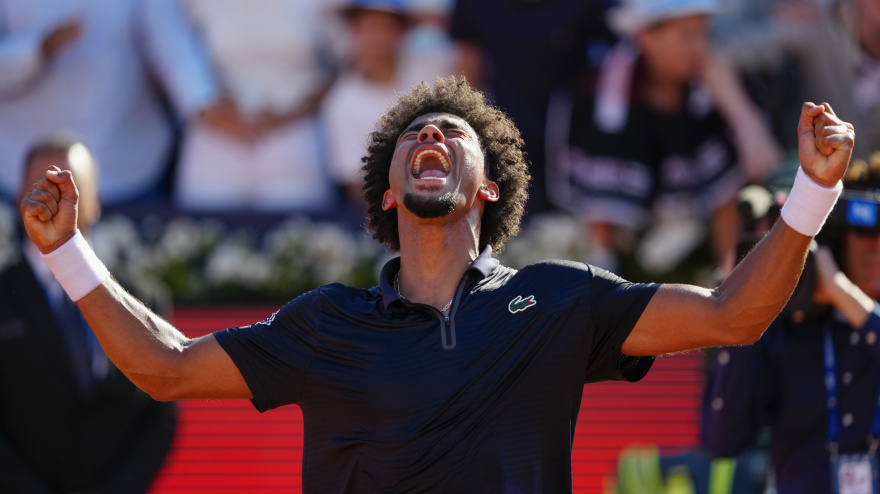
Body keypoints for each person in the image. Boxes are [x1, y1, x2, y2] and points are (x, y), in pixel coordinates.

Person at [19, 76, 853, 492]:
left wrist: (813, 193)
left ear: (489, 187)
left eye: (453, 133)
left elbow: (735, 315)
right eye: (414, 135)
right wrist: (66, 254)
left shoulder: (562, 302)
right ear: (387, 192)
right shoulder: (325, 322)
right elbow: (164, 366)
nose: (431, 137)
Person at [545, 0, 780, 276]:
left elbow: (739, 184)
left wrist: (728, 278)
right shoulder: (602, 100)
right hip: (632, 262)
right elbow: (599, 207)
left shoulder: (710, 97)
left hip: (696, 255)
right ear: (646, 38)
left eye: (705, 34)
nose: (700, 47)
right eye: (686, 36)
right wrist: (602, 281)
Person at [1, 135, 176, 493]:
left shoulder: (143, 298)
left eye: (71, 187)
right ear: (21, 196)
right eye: (43, 188)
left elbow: (161, 413)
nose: (57, 199)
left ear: (95, 199)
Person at [702, 155, 880, 494]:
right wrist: (740, 304)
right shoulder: (793, 324)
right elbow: (721, 441)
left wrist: (844, 294)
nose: (875, 245)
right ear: (841, 233)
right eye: (863, 230)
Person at [0, 0, 219, 205]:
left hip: (129, 166)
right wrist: (37, 49)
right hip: (18, 166)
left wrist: (203, 100)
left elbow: (170, 39)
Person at [171, 0, 338, 212]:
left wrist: (293, 113)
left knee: (297, 232)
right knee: (201, 234)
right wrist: (209, 108)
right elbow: (174, 47)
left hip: (294, 132)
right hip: (217, 133)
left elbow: (345, 63)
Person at [321, 0, 453, 211]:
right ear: (353, 32)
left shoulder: (434, 70)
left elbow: (478, 40)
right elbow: (357, 186)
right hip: (391, 218)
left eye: (388, 26)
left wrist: (427, 20)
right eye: (369, 26)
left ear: (403, 32)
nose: (377, 36)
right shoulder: (341, 102)